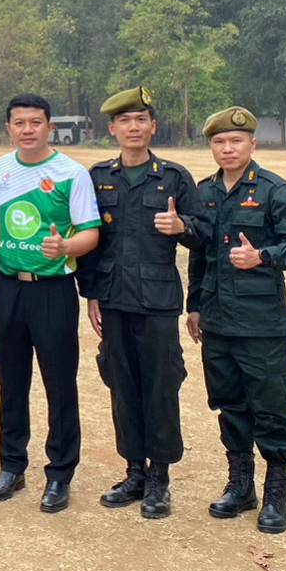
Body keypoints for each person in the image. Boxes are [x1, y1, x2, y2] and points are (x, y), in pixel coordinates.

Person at [187, 107, 286, 534]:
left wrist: (262, 256)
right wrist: (194, 305)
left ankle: (276, 493)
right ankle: (240, 485)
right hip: (218, 321)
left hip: (262, 325)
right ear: (211, 147)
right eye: (219, 142)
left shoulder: (274, 190)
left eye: (236, 141)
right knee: (230, 405)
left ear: (252, 144)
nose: (228, 149)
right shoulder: (205, 192)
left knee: (271, 408)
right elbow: (201, 255)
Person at [83, 87, 202, 519]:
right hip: (113, 299)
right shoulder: (98, 177)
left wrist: (182, 225)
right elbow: (90, 239)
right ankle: (134, 472)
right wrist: (91, 293)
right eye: (124, 121)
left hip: (157, 301)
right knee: (121, 384)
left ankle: (160, 478)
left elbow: (204, 234)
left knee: (160, 385)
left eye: (141, 120)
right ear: (112, 128)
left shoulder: (174, 177)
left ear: (153, 126)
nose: (133, 128)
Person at [0, 93, 101, 511]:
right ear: (8, 128)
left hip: (53, 289)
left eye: (35, 122)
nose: (27, 130)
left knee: (59, 383)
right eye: (19, 123)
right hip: (9, 289)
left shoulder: (71, 173)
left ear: (49, 127)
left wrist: (66, 246)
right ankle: (12, 466)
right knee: (11, 382)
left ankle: (60, 473)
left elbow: (91, 232)